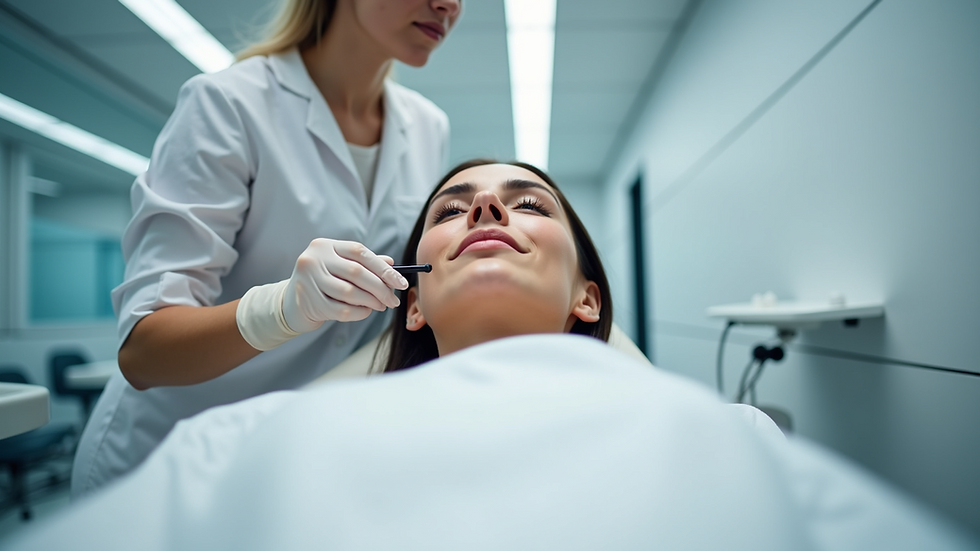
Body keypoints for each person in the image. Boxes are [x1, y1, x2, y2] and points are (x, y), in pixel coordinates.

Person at [12, 161, 973, 550]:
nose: (483, 209)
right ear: (413, 298)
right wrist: (273, 308)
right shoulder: (252, 439)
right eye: (453, 207)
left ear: (587, 295)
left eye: (528, 203)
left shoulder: (736, 433)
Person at [71, 0, 463, 497]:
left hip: (287, 460)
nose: (449, 5)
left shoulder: (428, 127)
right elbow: (145, 353)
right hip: (163, 459)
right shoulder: (229, 104)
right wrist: (283, 308)